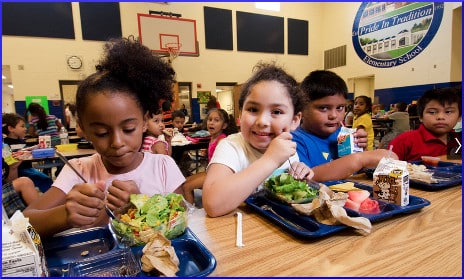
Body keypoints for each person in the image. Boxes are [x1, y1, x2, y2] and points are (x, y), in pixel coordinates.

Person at [23, 38, 185, 237]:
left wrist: (141, 204)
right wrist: (65, 215)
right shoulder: (78, 170)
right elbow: (23, 226)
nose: (117, 142)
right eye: (102, 133)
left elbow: (182, 218)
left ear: (144, 122)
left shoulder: (162, 166)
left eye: (128, 129)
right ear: (83, 129)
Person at [202, 62, 314, 217]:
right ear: (240, 115)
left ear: (295, 120)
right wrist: (271, 159)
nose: (262, 121)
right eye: (253, 109)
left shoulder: (288, 149)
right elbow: (212, 204)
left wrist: (300, 173)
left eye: (276, 111)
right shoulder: (231, 146)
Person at [292, 70, 396, 182]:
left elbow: (358, 175)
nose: (333, 115)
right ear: (301, 109)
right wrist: (359, 159)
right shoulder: (294, 141)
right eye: (323, 108)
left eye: (340, 107)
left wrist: (361, 149)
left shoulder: (344, 135)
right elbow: (306, 179)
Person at [182, 108, 238, 205]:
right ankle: (191, 208)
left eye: (216, 120)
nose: (211, 123)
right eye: (210, 119)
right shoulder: (213, 137)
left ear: (224, 125)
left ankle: (191, 215)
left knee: (187, 186)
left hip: (217, 176)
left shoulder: (221, 140)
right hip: (210, 172)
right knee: (184, 182)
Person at [389, 87, 461, 161]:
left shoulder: (458, 140)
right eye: (432, 112)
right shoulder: (403, 141)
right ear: (421, 117)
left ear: (459, 117)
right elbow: (386, 168)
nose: (440, 117)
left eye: (448, 112)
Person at [2, 113, 54, 192]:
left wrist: (34, 148)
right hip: (18, 171)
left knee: (47, 180)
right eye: (22, 126)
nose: (25, 128)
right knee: (45, 180)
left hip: (28, 169)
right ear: (11, 128)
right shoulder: (5, 144)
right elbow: (15, 156)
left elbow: (23, 150)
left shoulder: (21, 140)